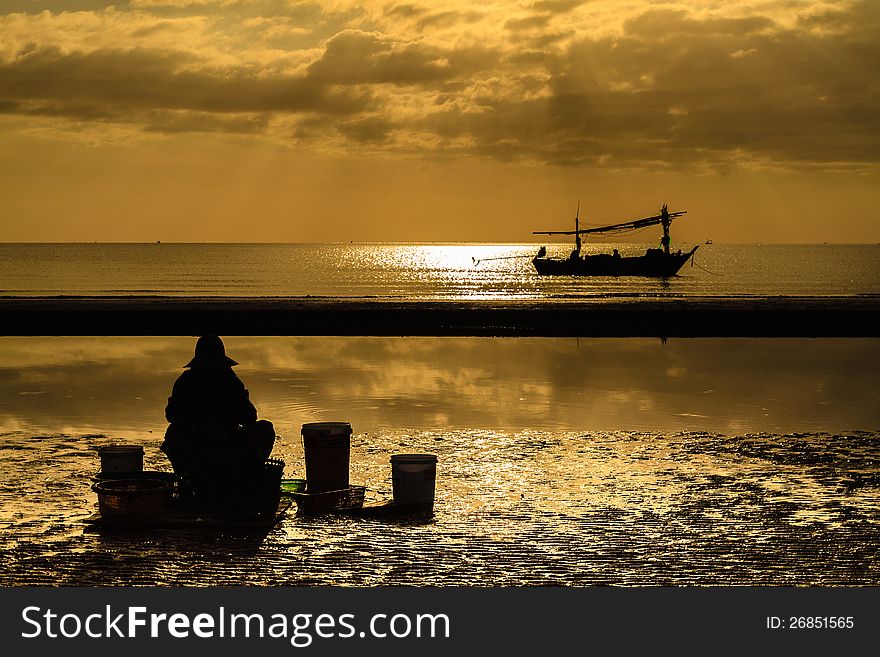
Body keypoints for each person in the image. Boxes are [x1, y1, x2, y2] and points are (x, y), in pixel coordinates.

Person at [161, 335, 275, 507]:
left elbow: (171, 415)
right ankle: (242, 480)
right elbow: (250, 417)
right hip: (208, 446)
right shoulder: (228, 380)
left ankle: (204, 480)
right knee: (264, 429)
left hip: (214, 444)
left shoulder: (186, 380)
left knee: (175, 434)